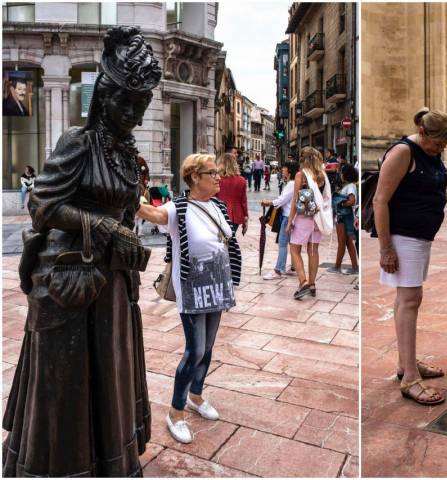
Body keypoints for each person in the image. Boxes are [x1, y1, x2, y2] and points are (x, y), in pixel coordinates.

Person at [3, 26, 159, 477]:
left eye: (139, 105)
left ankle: (109, 462)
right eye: (122, 102)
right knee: (69, 384)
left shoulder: (125, 151)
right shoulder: (79, 141)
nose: (130, 112)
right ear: (102, 98)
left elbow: (126, 208)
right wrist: (107, 226)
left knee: (108, 374)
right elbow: (43, 204)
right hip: (70, 282)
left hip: (111, 283)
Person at [137, 153, 242, 444]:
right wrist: (130, 197)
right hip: (193, 290)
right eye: (213, 173)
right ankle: (176, 412)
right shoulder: (179, 207)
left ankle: (196, 394)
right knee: (194, 350)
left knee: (207, 348)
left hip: (218, 285)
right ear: (196, 177)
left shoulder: (217, 205)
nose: (219, 177)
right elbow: (154, 215)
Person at [373, 107, 447, 405]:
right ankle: (410, 378)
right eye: (438, 144)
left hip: (419, 237)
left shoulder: (429, 152)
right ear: (423, 133)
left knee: (407, 300)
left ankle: (405, 363)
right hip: (403, 237)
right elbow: (380, 201)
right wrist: (385, 249)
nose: (441, 149)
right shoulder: (402, 152)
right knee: (409, 301)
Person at [287, 147, 332, 299]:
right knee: (313, 251)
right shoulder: (322, 176)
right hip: (317, 218)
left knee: (294, 250)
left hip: (303, 218)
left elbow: (295, 199)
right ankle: (312, 284)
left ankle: (303, 282)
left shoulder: (301, 175)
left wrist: (289, 220)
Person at [261, 161, 300, 279]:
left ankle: (278, 270)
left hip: (287, 216)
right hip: (292, 216)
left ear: (289, 171)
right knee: (292, 243)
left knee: (282, 244)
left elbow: (282, 200)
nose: (282, 170)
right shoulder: (293, 183)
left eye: (284, 168)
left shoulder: (291, 184)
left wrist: (270, 203)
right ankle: (294, 266)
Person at [327, 164, 359, 275]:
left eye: (341, 173)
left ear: (345, 174)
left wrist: (340, 203)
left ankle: (337, 266)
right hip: (345, 217)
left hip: (343, 217)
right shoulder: (350, 186)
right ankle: (355, 267)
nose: (340, 175)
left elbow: (352, 201)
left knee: (342, 242)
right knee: (348, 242)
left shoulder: (350, 186)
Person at [216, 152, 249, 237]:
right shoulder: (241, 180)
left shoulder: (217, 179)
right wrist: (245, 218)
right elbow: (243, 201)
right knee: (230, 239)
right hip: (236, 215)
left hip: (219, 213)